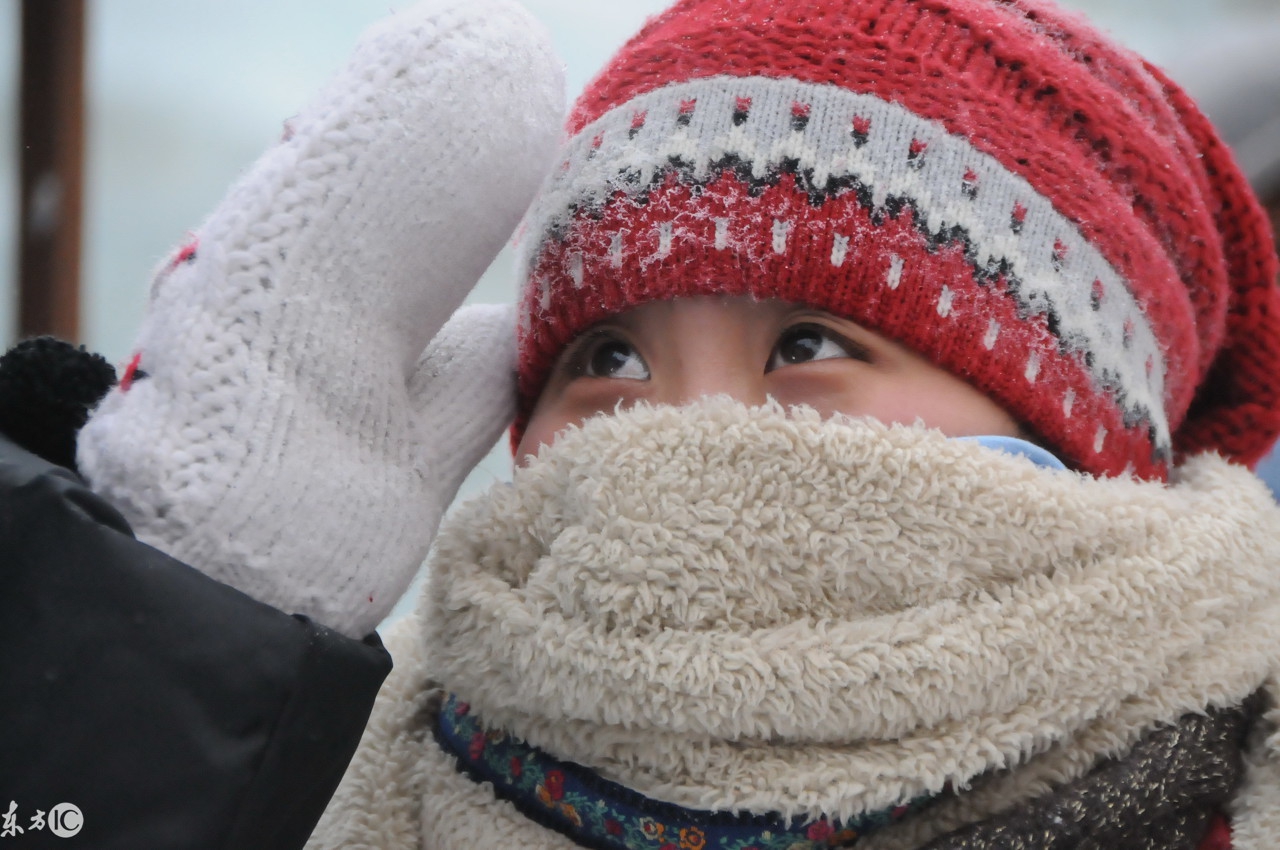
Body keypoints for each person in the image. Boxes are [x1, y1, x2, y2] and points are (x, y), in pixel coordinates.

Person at [3, 2, 1279, 850]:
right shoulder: (329, 781)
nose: (683, 425)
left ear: (1084, 444)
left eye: (809, 344)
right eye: (605, 357)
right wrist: (177, 644)